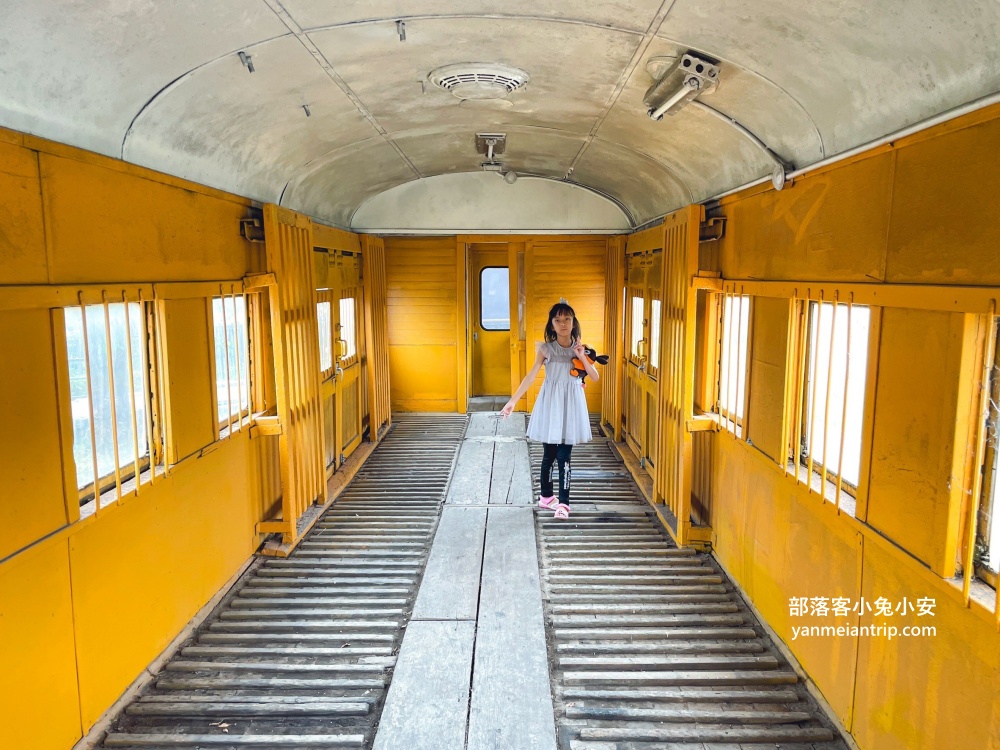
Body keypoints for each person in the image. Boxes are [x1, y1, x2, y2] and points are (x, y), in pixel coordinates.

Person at [500, 301, 598, 519]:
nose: (562, 324)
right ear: (552, 325)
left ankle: (563, 504)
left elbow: (595, 376)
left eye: (567, 319)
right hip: (551, 404)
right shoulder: (546, 349)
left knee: (564, 456)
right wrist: (513, 401)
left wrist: (581, 355)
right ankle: (546, 498)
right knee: (548, 455)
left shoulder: (583, 349)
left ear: (574, 323)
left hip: (571, 406)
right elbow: (531, 376)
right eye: (557, 320)